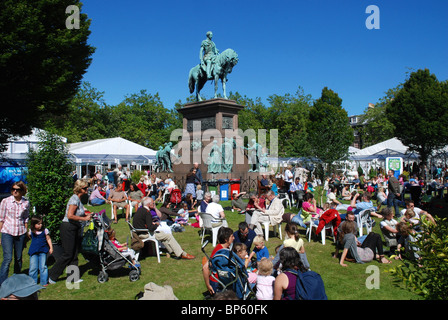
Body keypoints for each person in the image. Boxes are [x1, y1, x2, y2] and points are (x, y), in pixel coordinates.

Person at [48, 180, 93, 284]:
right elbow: (70, 215)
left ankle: (73, 277)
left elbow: (79, 212)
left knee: (74, 253)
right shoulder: (74, 199)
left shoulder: (78, 199)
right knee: (68, 253)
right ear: (80, 189)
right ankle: (52, 275)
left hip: (75, 227)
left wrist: (88, 214)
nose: (87, 190)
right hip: (68, 227)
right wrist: (84, 219)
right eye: (85, 188)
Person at [0, 181, 30, 286]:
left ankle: (16, 280)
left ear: (22, 191)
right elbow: (1, 219)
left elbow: (26, 218)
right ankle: (2, 283)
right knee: (8, 258)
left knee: (18, 258)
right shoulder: (5, 201)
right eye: (13, 189)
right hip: (7, 231)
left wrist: (26, 233)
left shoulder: (26, 203)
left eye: (17, 190)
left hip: (20, 232)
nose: (15, 191)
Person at [202, 227, 234, 296]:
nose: (233, 238)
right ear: (226, 239)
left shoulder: (225, 248)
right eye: (232, 236)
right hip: (217, 282)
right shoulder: (219, 251)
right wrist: (208, 285)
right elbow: (205, 268)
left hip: (225, 280)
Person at [28, 216, 53, 286]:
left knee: (43, 266)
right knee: (33, 267)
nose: (40, 225)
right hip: (33, 251)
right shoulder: (31, 231)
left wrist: (51, 247)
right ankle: (32, 282)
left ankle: (44, 281)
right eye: (38, 224)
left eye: (41, 223)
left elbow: (48, 239)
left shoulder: (45, 231)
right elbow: (28, 238)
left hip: (42, 251)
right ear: (33, 224)